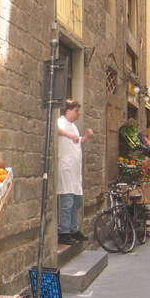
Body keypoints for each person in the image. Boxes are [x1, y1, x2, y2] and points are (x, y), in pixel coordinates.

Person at [56, 99, 94, 245]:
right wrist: (67, 134)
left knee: (77, 201)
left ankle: (74, 228)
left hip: (75, 170)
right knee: (67, 201)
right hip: (66, 168)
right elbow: (57, 130)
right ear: (68, 111)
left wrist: (86, 137)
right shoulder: (61, 122)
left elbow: (78, 142)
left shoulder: (74, 126)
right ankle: (63, 231)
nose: (79, 113)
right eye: (76, 110)